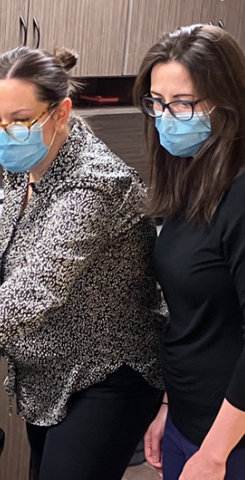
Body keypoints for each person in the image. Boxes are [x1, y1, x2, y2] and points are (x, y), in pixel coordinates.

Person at [0, 47, 165, 480]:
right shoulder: (27, 164)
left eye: (20, 120)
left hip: (107, 371)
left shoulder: (96, 184)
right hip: (45, 369)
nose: (4, 133)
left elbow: (41, 281)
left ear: (62, 112)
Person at [133, 24, 245, 480]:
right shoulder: (194, 179)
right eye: (157, 102)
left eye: (182, 104)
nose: (165, 116)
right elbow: (190, 316)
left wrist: (215, 452)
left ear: (227, 104)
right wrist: (167, 406)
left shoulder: (240, 198)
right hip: (188, 417)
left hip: (228, 438)